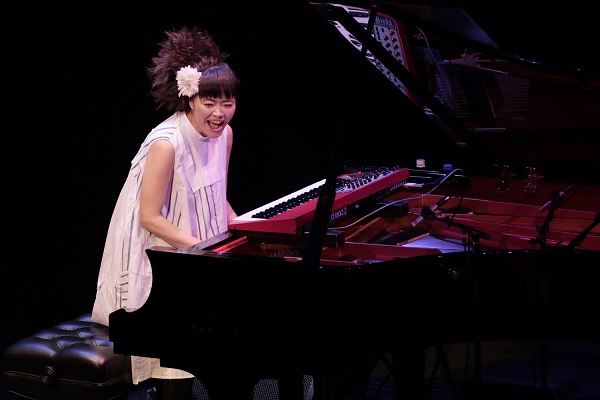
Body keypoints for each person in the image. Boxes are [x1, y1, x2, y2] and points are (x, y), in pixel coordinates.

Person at [91, 26, 241, 400]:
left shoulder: (225, 135)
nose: (220, 113)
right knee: (177, 365)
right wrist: (204, 250)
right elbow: (150, 217)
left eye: (227, 103)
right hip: (157, 258)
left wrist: (250, 230)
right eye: (210, 103)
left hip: (197, 254)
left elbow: (217, 196)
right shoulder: (166, 143)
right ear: (189, 99)